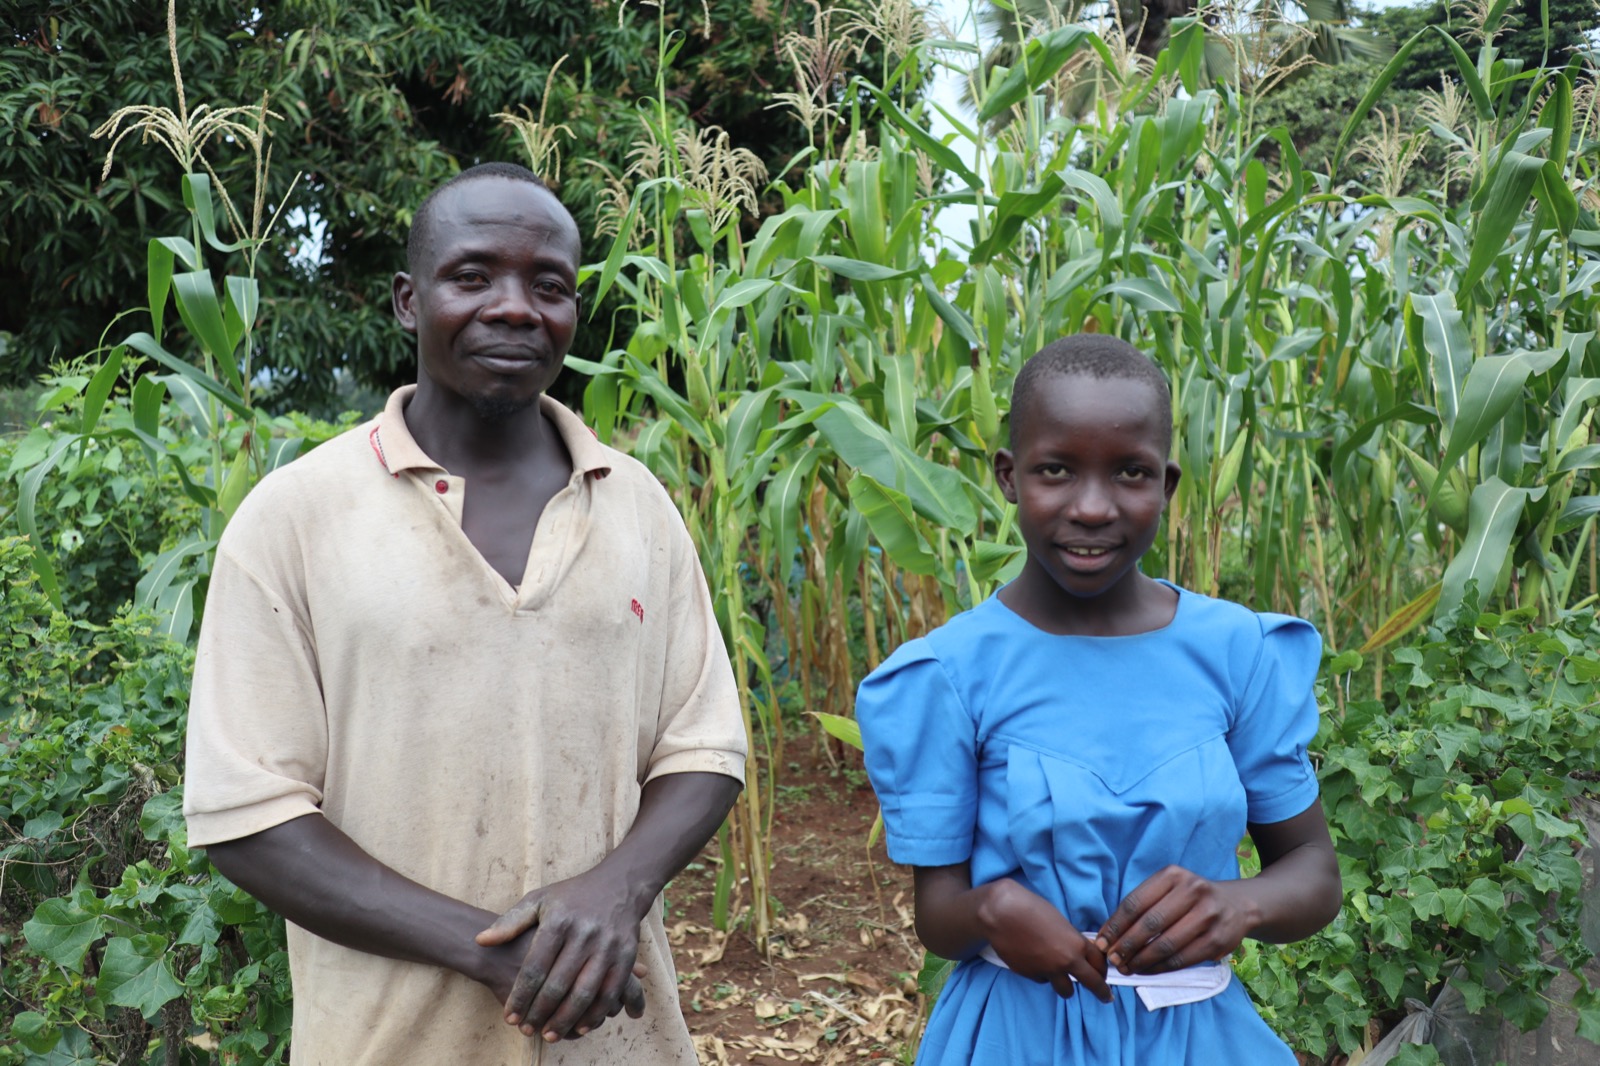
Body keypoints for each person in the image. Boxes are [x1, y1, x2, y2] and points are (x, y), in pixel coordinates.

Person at [182, 162, 746, 1065]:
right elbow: (247, 816)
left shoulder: (637, 507)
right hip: (387, 1044)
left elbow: (703, 748)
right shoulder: (298, 517)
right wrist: (490, 950)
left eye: (548, 285)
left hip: (614, 1040)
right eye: (474, 276)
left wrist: (614, 892)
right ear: (410, 300)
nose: (517, 307)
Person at [855, 335, 1342, 1064]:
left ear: (1167, 484)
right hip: (1016, 1035)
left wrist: (1238, 904)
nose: (1092, 507)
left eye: (1130, 473)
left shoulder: (1238, 652)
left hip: (1195, 1037)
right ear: (1009, 476)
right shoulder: (949, 674)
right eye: (1056, 470)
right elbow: (940, 914)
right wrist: (992, 908)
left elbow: (1312, 869)